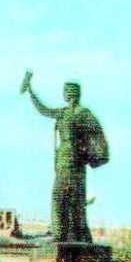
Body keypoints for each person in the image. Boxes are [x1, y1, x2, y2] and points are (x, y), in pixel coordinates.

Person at [20, 71, 108, 243]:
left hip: (75, 160)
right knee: (61, 196)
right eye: (66, 92)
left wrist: (95, 156)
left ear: (77, 94)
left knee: (68, 196)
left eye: (72, 92)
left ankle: (66, 234)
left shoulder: (84, 113)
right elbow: (44, 110)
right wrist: (31, 91)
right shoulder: (63, 113)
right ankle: (60, 232)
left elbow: (97, 134)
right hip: (62, 159)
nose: (68, 95)